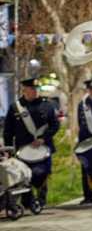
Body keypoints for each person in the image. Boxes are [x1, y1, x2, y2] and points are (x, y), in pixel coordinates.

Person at [3, 78, 60, 209]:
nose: (35, 92)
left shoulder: (47, 105)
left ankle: (40, 200)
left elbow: (55, 125)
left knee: (41, 173)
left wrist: (43, 138)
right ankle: (28, 202)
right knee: (24, 177)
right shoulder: (15, 108)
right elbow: (8, 131)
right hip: (22, 149)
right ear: (24, 90)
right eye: (32, 89)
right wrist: (8, 151)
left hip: (43, 148)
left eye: (37, 89)